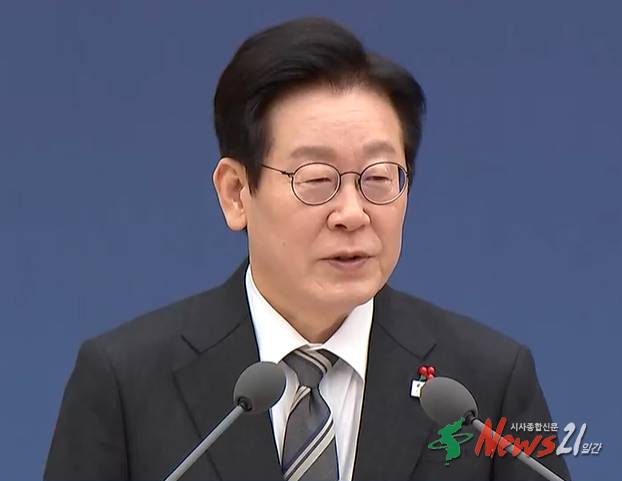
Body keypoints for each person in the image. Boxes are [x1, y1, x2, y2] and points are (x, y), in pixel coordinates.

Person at [44, 17, 571, 481]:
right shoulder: (123, 383)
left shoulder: (484, 384)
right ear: (236, 193)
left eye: (379, 177)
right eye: (317, 180)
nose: (352, 213)